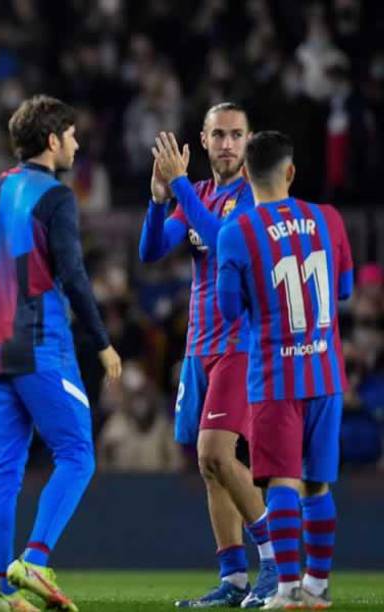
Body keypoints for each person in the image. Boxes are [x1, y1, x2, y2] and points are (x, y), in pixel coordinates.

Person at [0, 95, 122, 612]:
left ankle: (1, 592)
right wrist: (102, 342)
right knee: (78, 454)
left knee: (5, 470)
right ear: (53, 139)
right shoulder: (55, 196)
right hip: (40, 346)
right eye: (73, 134)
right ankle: (35, 557)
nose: (77, 143)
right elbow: (75, 275)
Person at [142, 102, 278, 608]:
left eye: (236, 135)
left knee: (216, 452)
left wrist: (176, 187)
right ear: (203, 140)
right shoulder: (196, 194)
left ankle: (281, 562)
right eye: (218, 135)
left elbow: (225, 243)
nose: (226, 144)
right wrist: (158, 199)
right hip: (199, 346)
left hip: (240, 343)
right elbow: (151, 250)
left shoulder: (254, 196)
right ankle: (234, 579)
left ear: (247, 142)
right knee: (209, 469)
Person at [215, 131, 352, 609]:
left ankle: (288, 591)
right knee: (318, 482)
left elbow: (230, 311)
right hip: (326, 375)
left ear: (247, 175)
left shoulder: (237, 232)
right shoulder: (329, 219)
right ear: (290, 171)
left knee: (281, 484)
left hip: (275, 378)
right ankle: (316, 589)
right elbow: (346, 288)